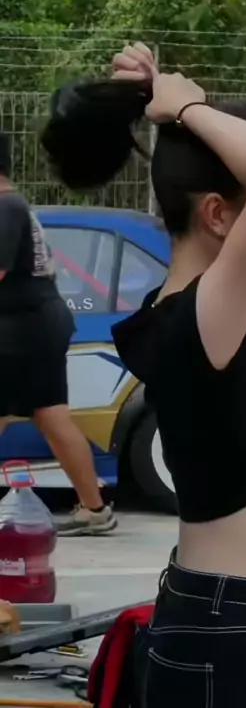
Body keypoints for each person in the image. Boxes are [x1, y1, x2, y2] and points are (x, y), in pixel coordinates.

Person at [41, 44, 246, 707]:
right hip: (233, 634)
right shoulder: (200, 322)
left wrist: (163, 105)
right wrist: (189, 109)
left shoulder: (202, 314)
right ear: (218, 215)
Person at [0, 132, 116, 536]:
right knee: (51, 415)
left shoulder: (4, 207)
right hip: (35, 323)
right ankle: (94, 509)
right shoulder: (12, 205)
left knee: (44, 414)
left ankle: (94, 509)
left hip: (25, 326)